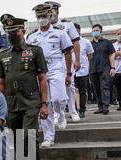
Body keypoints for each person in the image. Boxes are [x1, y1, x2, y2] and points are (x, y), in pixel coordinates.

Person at [0, 17, 49, 160]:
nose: (12, 35)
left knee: (29, 136)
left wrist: (44, 104)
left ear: (23, 31)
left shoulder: (35, 51)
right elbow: (1, 82)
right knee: (19, 140)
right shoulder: (3, 55)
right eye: (9, 33)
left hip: (31, 102)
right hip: (12, 103)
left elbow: (42, 79)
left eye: (15, 32)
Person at [27, 4, 73, 147]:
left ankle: (60, 114)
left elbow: (67, 52)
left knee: (59, 98)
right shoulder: (32, 36)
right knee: (44, 103)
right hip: (40, 71)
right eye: (39, 17)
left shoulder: (60, 33)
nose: (42, 19)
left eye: (44, 16)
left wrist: (68, 73)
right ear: (36, 18)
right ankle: (48, 137)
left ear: (49, 16)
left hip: (56, 67)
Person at [45, 1, 81, 127]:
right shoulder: (43, 28)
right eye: (47, 10)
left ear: (57, 11)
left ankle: (72, 111)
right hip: (52, 62)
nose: (50, 12)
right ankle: (56, 114)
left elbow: (75, 43)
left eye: (52, 10)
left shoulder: (67, 24)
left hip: (66, 58)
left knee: (69, 85)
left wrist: (77, 60)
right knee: (51, 89)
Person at [89, 24, 116, 115]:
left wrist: (113, 67)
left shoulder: (107, 42)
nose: (95, 32)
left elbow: (112, 55)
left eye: (96, 30)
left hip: (105, 68)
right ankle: (100, 107)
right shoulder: (90, 44)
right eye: (93, 30)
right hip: (93, 69)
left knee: (104, 87)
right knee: (96, 89)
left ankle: (105, 107)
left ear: (101, 31)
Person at [74, 23, 93, 119]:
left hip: (82, 71)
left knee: (82, 91)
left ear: (79, 31)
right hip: (70, 71)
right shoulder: (67, 41)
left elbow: (90, 55)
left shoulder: (86, 42)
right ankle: (73, 111)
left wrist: (84, 64)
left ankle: (82, 110)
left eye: (75, 30)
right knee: (71, 92)